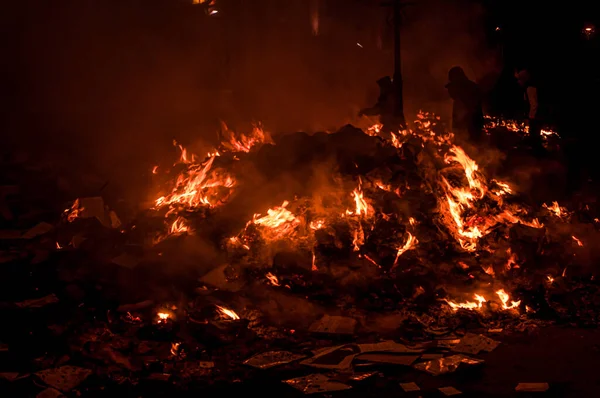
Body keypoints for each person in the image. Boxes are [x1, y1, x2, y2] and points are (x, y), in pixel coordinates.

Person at [445, 66, 484, 142]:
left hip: (471, 125)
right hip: (472, 124)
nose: (450, 92)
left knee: (471, 144)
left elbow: (472, 109)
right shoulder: (471, 87)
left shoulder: (465, 92)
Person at [514, 67, 543, 152]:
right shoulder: (527, 88)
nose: (518, 82)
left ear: (524, 79)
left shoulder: (530, 88)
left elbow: (534, 104)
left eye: (519, 80)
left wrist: (531, 117)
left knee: (535, 134)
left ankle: (538, 152)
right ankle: (536, 150)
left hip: (536, 116)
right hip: (534, 116)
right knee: (533, 134)